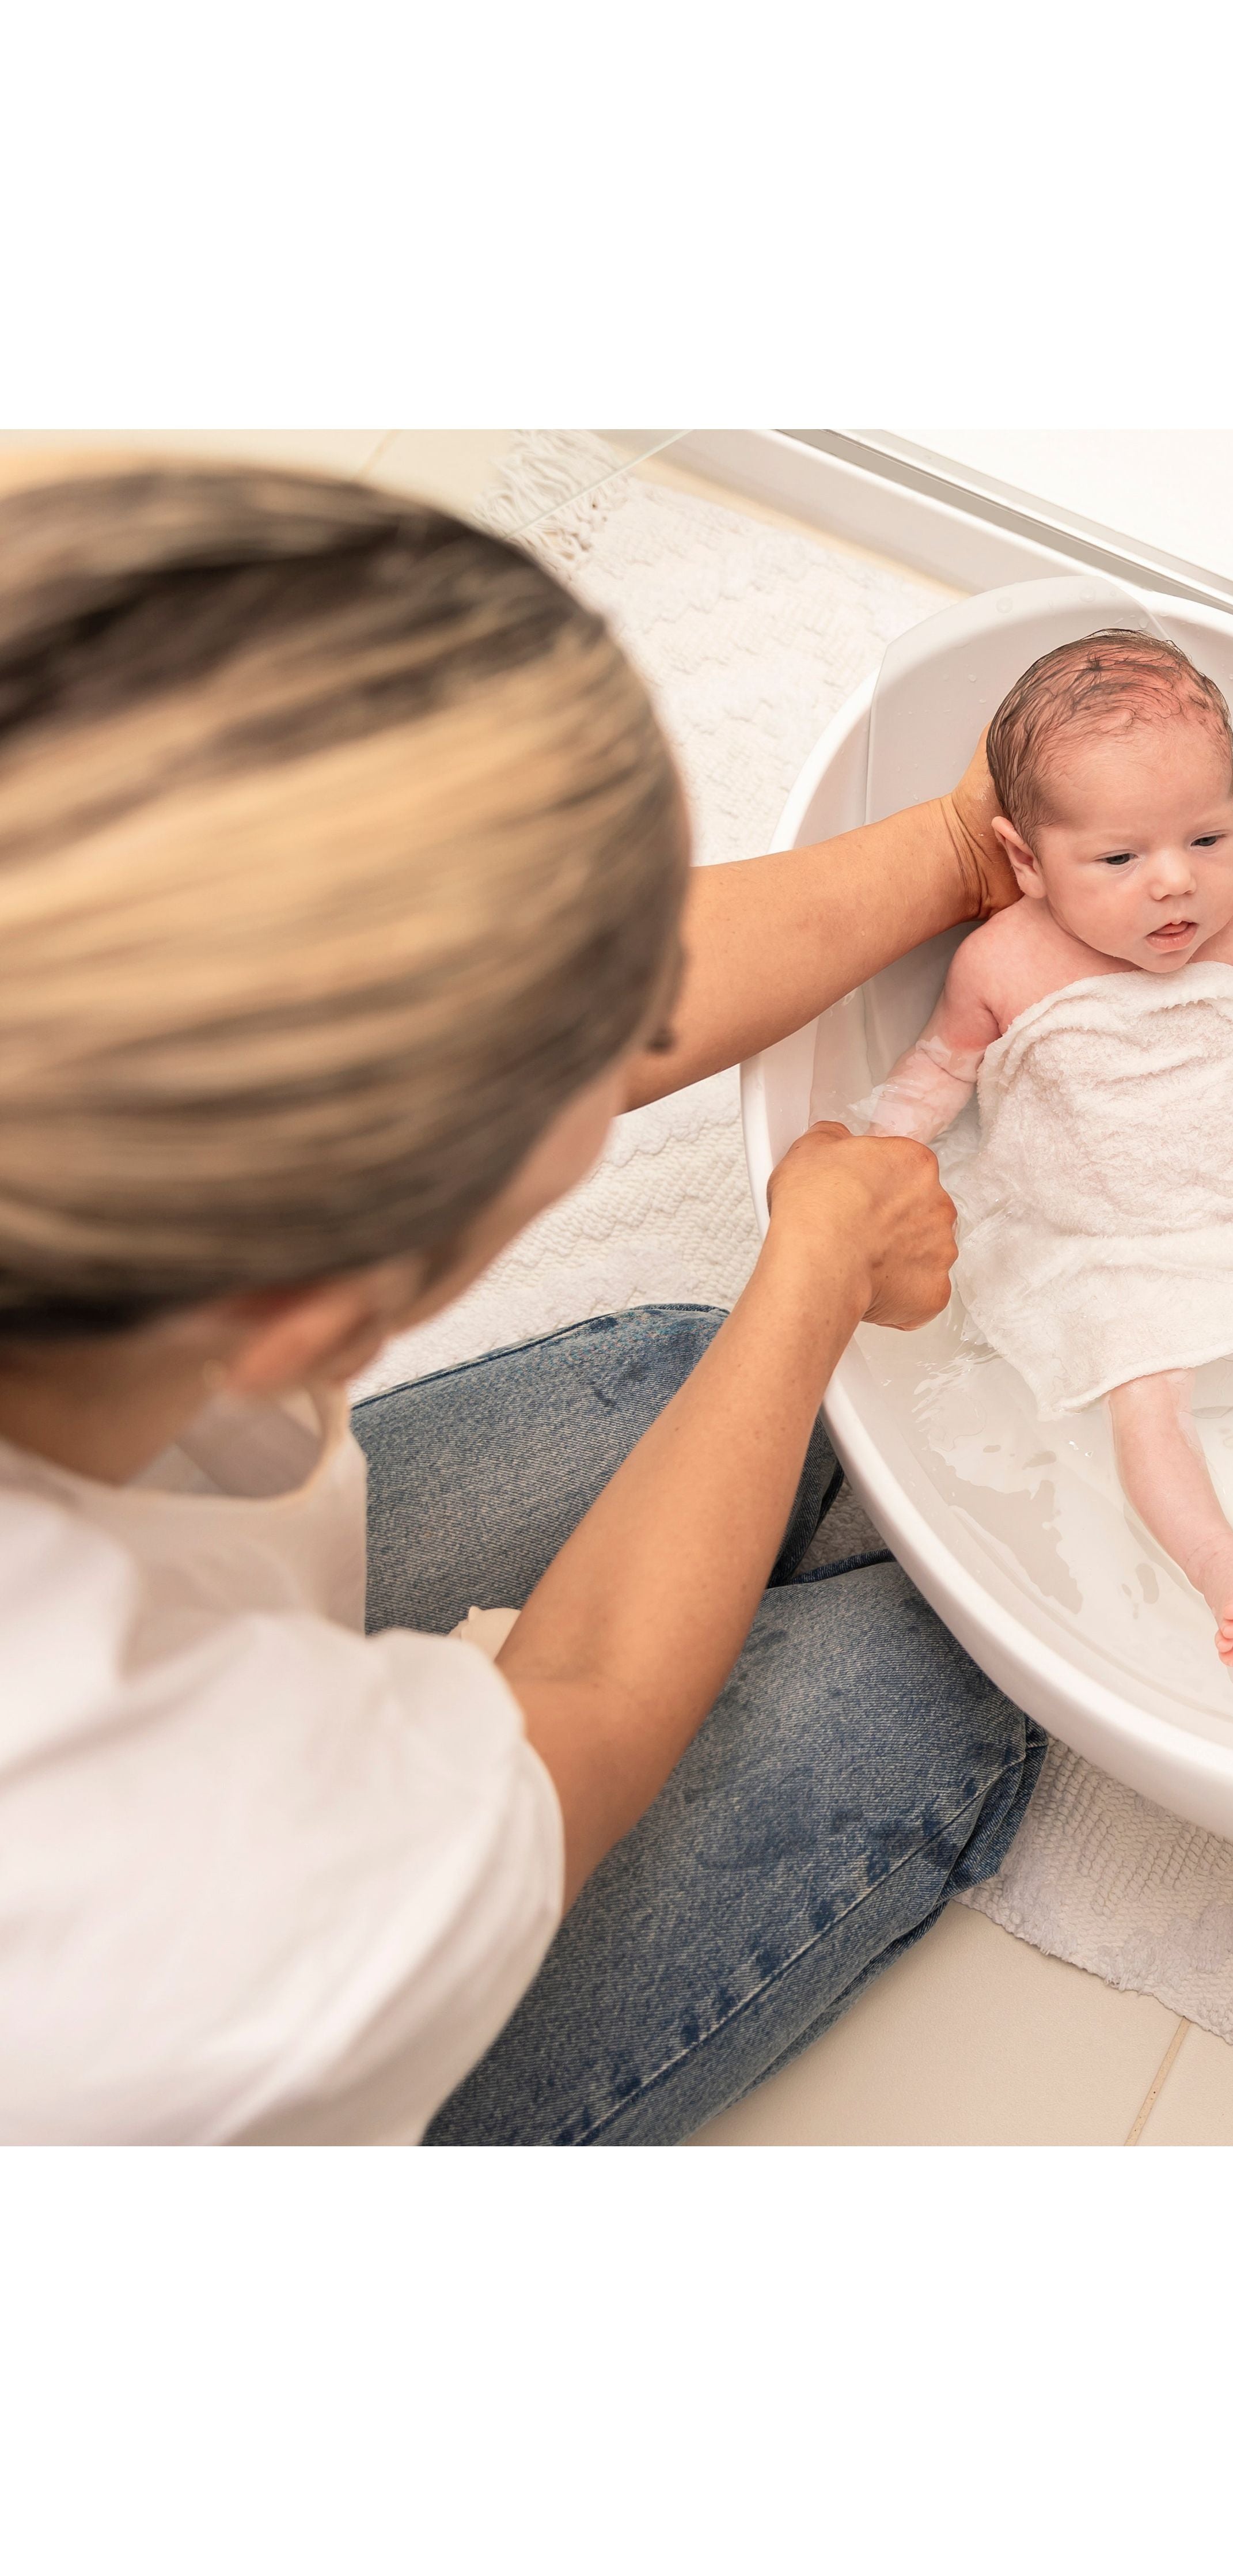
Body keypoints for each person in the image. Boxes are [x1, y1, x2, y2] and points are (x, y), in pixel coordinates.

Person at [0, 456, 1042, 2145]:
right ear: (310, 1309)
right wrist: (814, 1275)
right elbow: (593, 1712)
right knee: (923, 1680)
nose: (635, 1022)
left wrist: (959, 852)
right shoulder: (170, 1893)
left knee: (682, 1387)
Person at [860, 631, 1233, 1665]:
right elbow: (940, 1068)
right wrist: (881, 1152)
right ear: (1027, 861)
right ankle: (1218, 1565)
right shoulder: (1000, 963)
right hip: (1108, 1246)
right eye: (1119, 859)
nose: (1176, 883)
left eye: (1208, 838)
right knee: (1143, 1393)